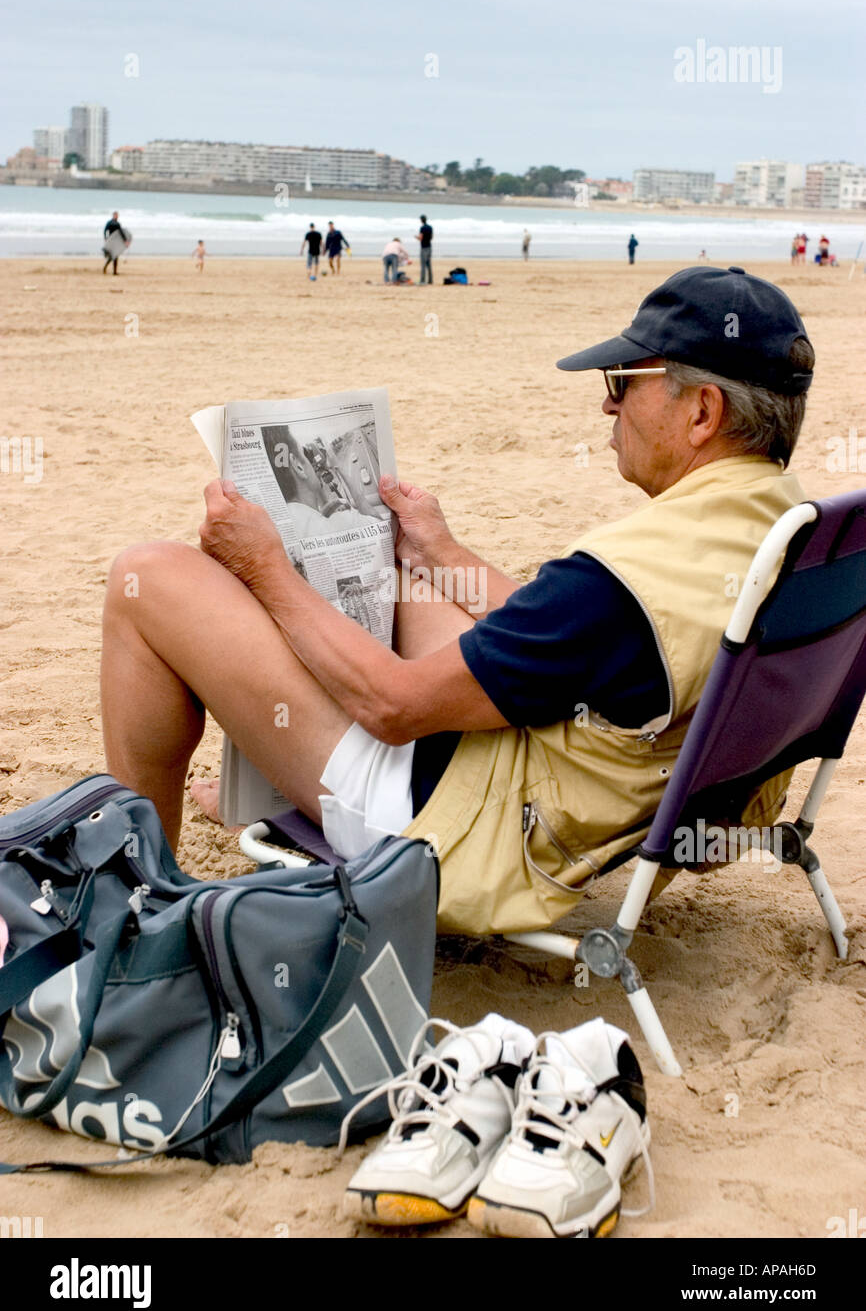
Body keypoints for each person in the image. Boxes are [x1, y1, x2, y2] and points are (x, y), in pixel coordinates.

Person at [102, 265, 813, 943]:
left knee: (148, 577)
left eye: (625, 381)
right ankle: (261, 775)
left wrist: (265, 570)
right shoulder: (791, 537)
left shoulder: (622, 579)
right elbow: (573, 638)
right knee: (403, 573)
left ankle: (142, 894)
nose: (608, 401)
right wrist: (442, 552)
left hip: (448, 828)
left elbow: (395, 707)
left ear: (703, 411)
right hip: (590, 796)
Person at [102, 211, 128, 275]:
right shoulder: (111, 223)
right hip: (111, 242)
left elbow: (120, 232)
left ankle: (113, 271)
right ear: (113, 215)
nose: (116, 216)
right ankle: (109, 269)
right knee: (113, 256)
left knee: (115, 256)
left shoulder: (117, 223)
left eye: (117, 215)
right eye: (115, 215)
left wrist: (125, 240)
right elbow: (105, 230)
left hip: (116, 241)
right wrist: (106, 238)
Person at [416, 214, 433, 284]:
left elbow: (420, 238)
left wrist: (416, 237)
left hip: (424, 247)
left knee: (423, 265)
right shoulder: (430, 227)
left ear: (421, 220)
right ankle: (430, 280)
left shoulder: (422, 228)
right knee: (429, 265)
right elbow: (432, 237)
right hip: (429, 247)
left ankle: (422, 280)